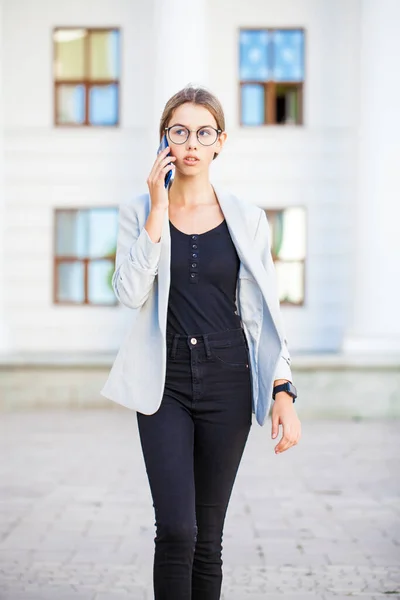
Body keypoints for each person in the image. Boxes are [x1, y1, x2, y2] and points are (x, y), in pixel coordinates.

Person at [101, 84, 301, 600]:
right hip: (163, 380)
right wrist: (155, 210)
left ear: (220, 142)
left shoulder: (247, 217)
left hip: (228, 378)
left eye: (203, 132)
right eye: (180, 131)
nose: (192, 143)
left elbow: (264, 316)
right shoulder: (137, 210)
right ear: (165, 140)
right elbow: (127, 293)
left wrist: (283, 390)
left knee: (207, 541)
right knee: (176, 531)